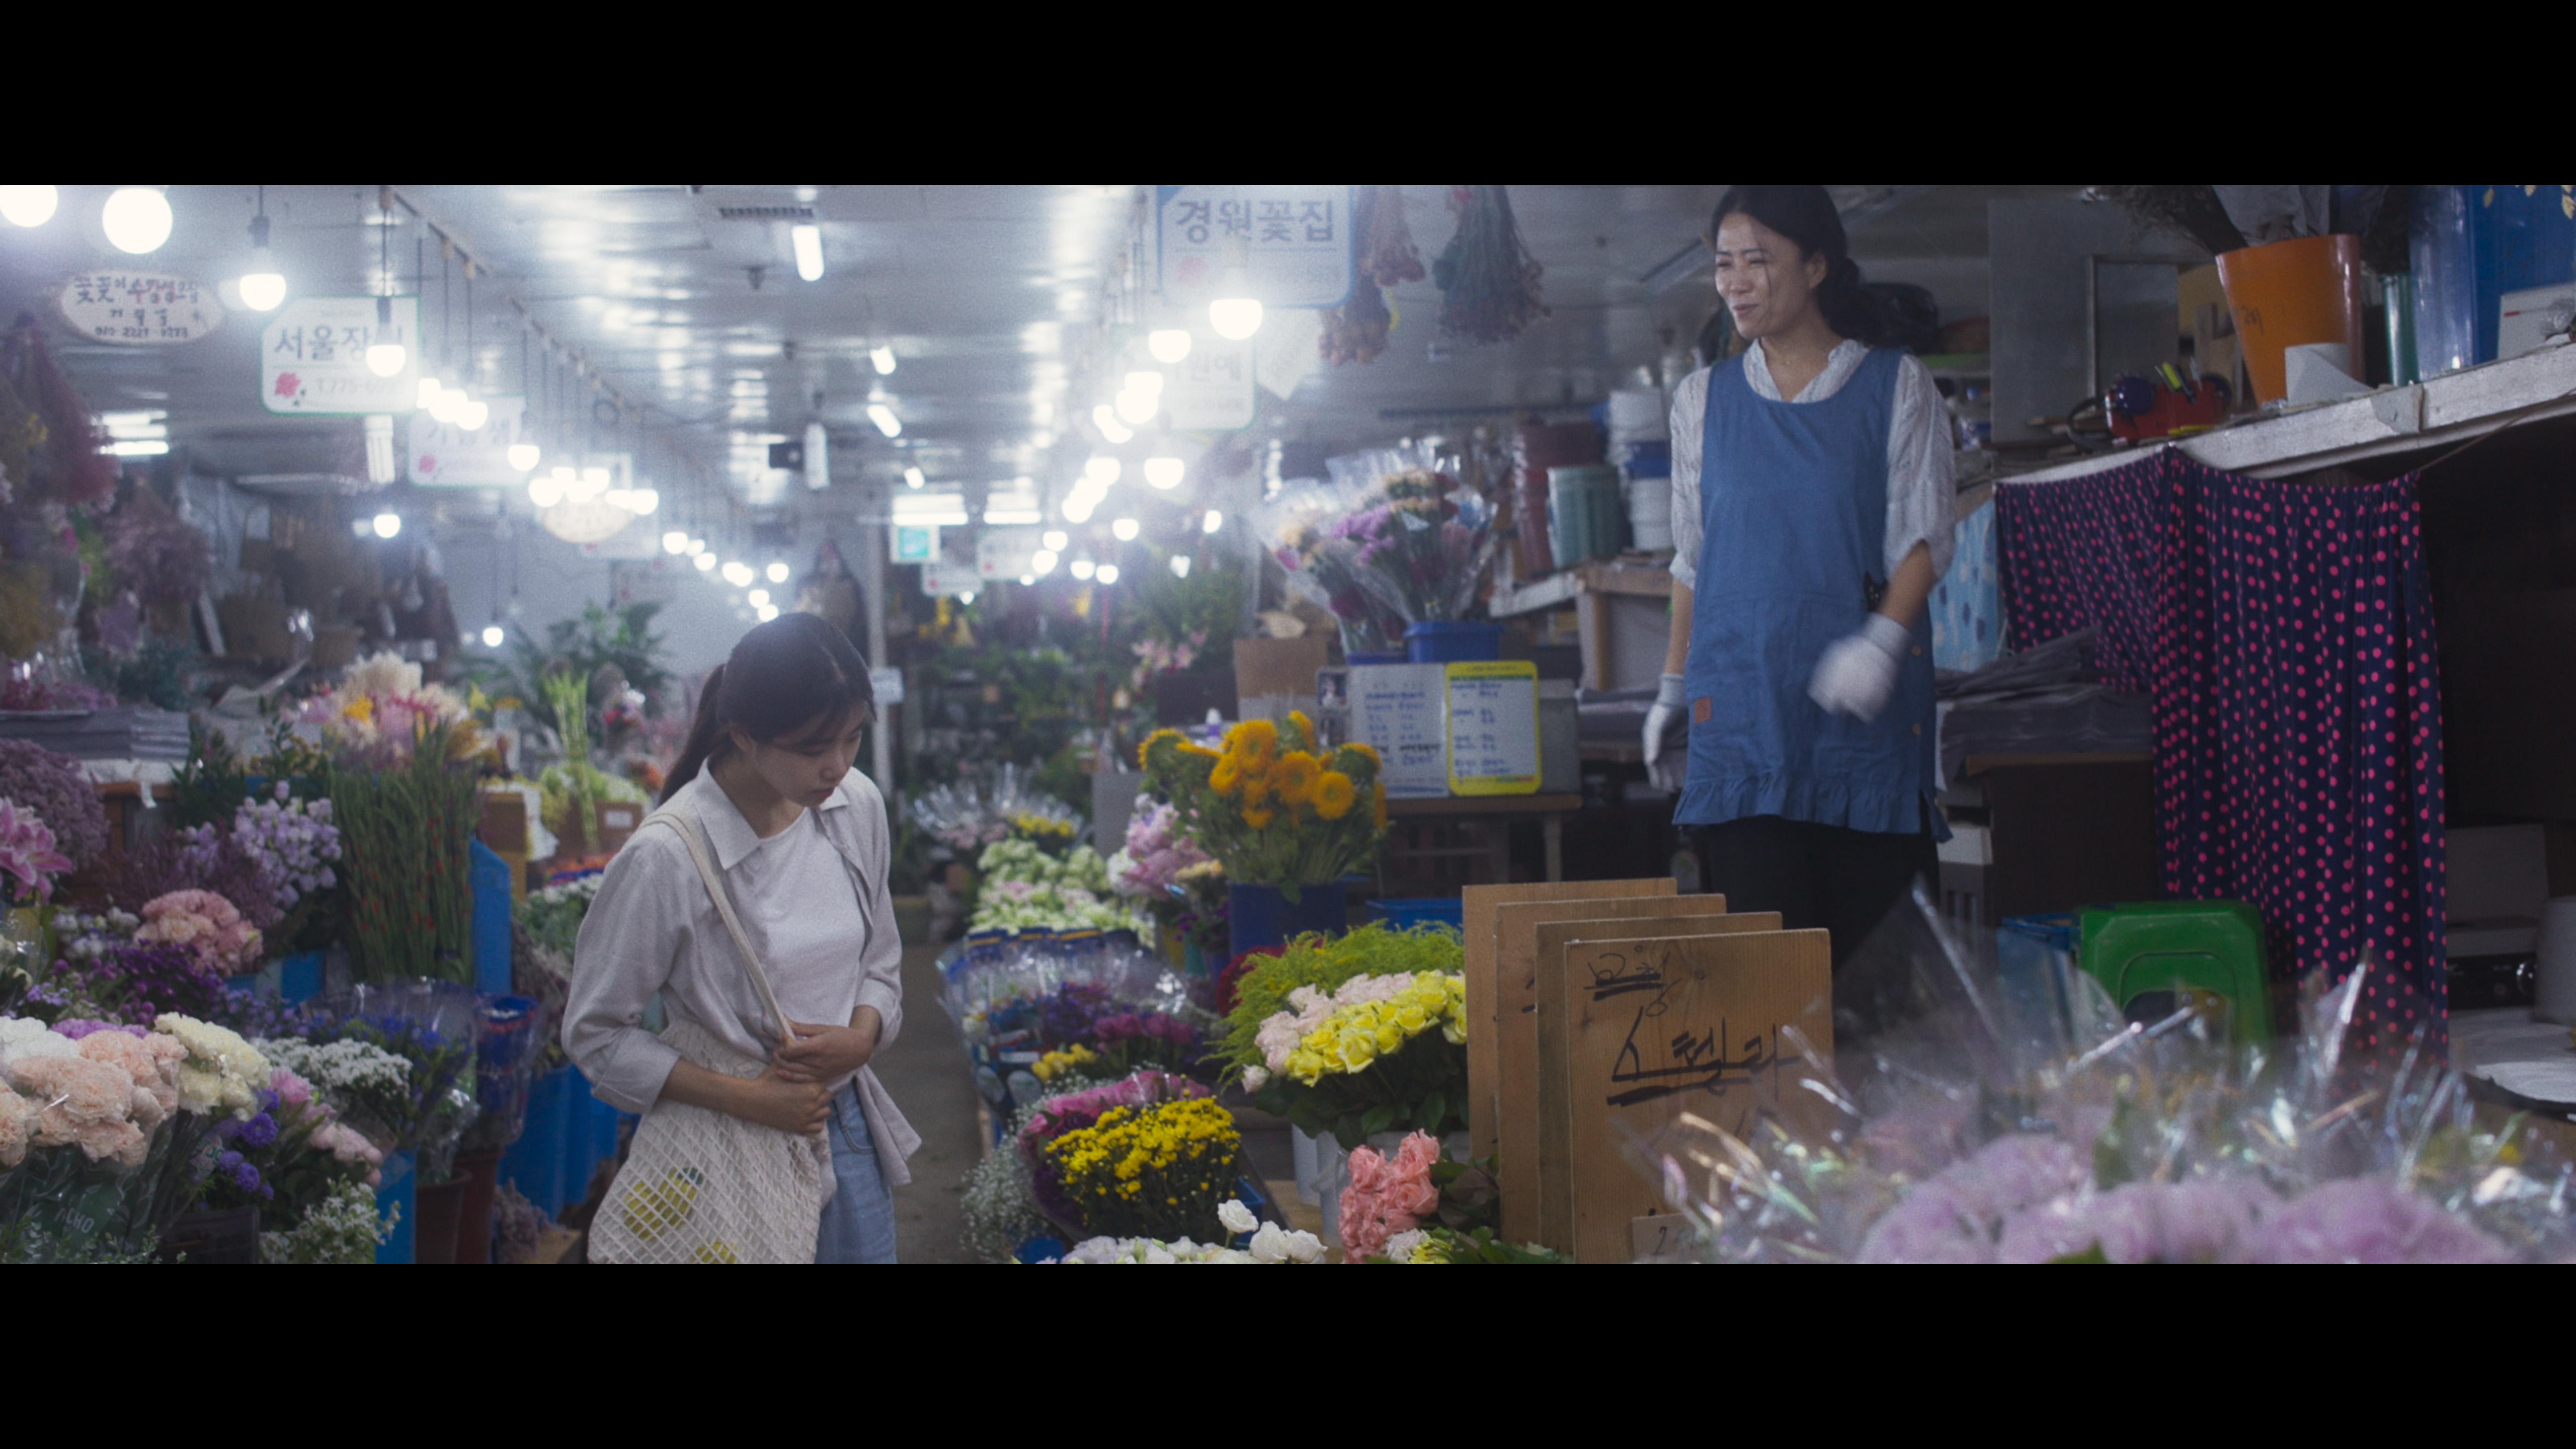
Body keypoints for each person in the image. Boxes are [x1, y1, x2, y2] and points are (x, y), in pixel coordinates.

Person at [1641, 185, 1955, 967]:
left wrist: (1882, 643)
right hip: (1742, 725)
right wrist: (1673, 686)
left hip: (1861, 731)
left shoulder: (1895, 386)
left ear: (1816, 266)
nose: (1736, 282)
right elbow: (1693, 558)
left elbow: (1921, 539)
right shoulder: (1701, 401)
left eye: (1758, 260)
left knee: (1882, 991)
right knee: (1769, 994)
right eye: (1724, 264)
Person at [564, 612, 917, 1262]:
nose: (837, 766)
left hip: (844, 1125)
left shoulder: (855, 806)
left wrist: (863, 1035)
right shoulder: (667, 858)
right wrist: (751, 1099)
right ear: (744, 736)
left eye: (852, 738)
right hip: (724, 1147)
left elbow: (880, 959)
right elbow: (594, 1033)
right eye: (813, 748)